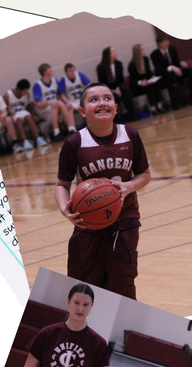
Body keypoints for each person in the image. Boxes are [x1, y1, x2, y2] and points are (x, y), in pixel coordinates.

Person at [54, 82, 151, 299]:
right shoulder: (75, 142)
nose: (102, 103)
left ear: (116, 107)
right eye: (94, 100)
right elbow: (62, 184)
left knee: (122, 282)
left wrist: (130, 186)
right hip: (88, 222)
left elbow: (145, 174)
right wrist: (65, 209)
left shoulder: (130, 135)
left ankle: (122, 327)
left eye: (107, 98)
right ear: (82, 112)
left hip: (125, 219)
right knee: (83, 285)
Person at [150, 35, 192, 107]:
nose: (168, 42)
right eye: (165, 41)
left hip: (175, 74)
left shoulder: (172, 49)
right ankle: (174, 102)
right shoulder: (154, 54)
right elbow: (159, 70)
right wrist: (171, 67)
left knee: (190, 71)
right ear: (160, 43)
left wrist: (181, 63)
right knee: (169, 76)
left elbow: (176, 62)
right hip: (165, 77)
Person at [32, 63, 77, 141]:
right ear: (45, 72)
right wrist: (49, 102)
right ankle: (57, 132)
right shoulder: (37, 85)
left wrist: (67, 103)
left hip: (55, 106)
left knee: (63, 105)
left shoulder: (55, 81)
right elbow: (38, 105)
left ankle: (71, 129)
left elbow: (60, 95)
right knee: (56, 104)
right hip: (43, 109)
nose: (52, 70)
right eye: (50, 69)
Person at [5, 80, 46, 151]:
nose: (26, 92)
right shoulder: (8, 95)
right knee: (18, 119)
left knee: (28, 117)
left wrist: (33, 114)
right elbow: (4, 108)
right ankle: (25, 141)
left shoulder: (27, 95)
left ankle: (38, 138)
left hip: (23, 111)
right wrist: (9, 114)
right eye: (25, 90)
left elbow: (27, 106)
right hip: (14, 113)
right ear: (19, 89)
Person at [129, 43, 165, 115]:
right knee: (148, 87)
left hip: (147, 82)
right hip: (138, 85)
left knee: (155, 84)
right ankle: (153, 107)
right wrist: (140, 82)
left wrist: (152, 77)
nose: (144, 50)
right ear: (137, 52)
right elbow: (133, 79)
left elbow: (148, 72)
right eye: (142, 49)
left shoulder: (146, 59)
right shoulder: (132, 64)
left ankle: (159, 105)